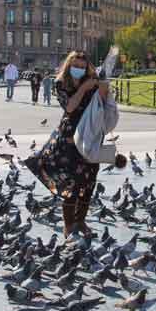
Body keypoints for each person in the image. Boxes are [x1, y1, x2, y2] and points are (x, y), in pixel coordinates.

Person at [24, 51, 115, 239]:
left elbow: (104, 101)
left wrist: (104, 89)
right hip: (69, 136)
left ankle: (81, 221)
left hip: (91, 133)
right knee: (70, 183)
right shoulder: (61, 83)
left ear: (88, 67)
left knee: (88, 182)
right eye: (76, 66)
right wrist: (83, 89)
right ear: (68, 65)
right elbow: (70, 108)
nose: (79, 70)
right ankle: (69, 225)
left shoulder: (93, 79)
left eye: (82, 67)